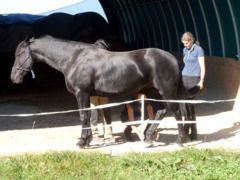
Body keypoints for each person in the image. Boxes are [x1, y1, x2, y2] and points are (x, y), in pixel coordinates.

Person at [181, 32, 206, 140]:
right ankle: (192, 131)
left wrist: (201, 81)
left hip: (194, 78)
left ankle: (188, 131)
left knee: (189, 105)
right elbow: (184, 62)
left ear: (191, 40)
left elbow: (202, 66)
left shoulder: (199, 50)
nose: (185, 45)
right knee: (186, 106)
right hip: (184, 77)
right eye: (184, 43)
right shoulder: (185, 50)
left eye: (187, 43)